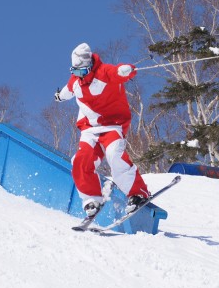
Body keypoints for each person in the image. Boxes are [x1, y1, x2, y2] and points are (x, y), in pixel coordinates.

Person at [55, 42, 150, 218]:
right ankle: (91, 198)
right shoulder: (76, 80)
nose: (79, 76)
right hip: (89, 129)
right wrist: (59, 96)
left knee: (115, 155)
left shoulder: (104, 72)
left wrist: (127, 70)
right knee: (81, 161)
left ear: (89, 66)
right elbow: (68, 90)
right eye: (74, 72)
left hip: (112, 125)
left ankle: (138, 193)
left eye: (82, 71)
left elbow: (120, 72)